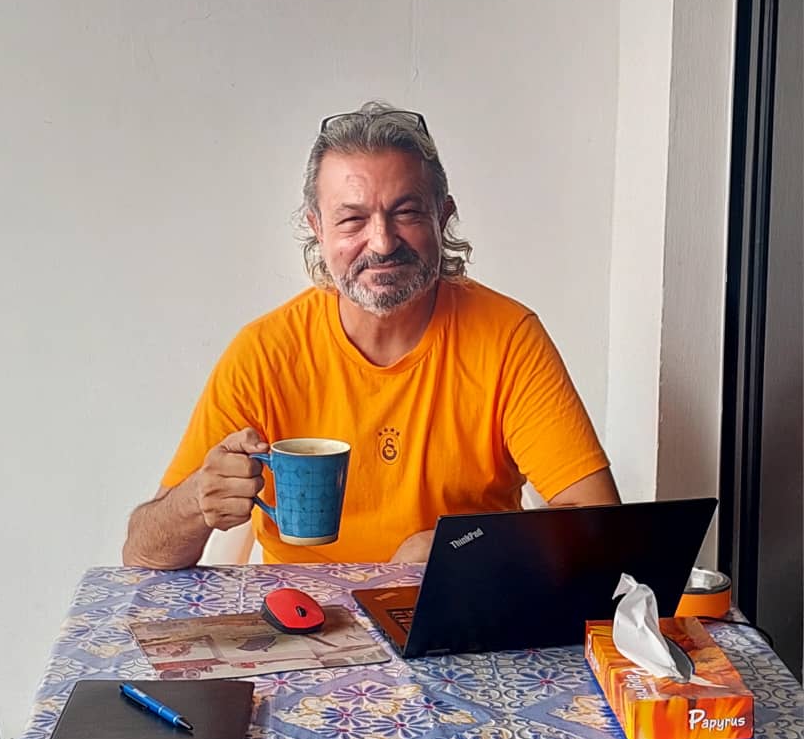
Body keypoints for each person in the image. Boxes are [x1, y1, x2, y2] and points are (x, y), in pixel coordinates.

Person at [123, 102, 620, 569]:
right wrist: (195, 501)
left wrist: (457, 545)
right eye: (352, 219)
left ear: (442, 217)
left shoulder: (508, 338)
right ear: (317, 228)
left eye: (406, 212)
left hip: (456, 616)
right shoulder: (265, 353)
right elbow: (140, 556)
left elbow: (603, 528)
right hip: (302, 620)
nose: (381, 242)